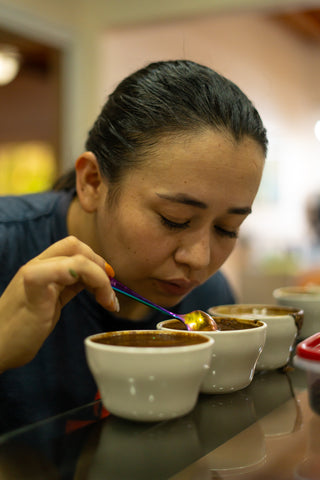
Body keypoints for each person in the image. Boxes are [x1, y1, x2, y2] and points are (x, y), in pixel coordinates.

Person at [0, 59, 267, 433]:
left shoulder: (208, 295)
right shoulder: (7, 244)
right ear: (93, 182)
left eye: (228, 228)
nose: (200, 260)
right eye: (174, 218)